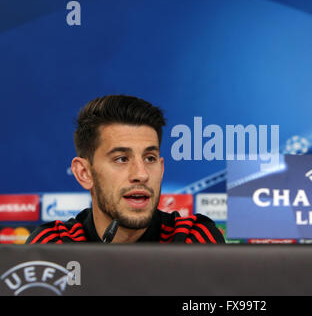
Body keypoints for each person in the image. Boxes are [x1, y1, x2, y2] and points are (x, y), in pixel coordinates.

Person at [26, 95, 225, 244]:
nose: (141, 174)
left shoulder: (193, 238)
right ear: (84, 173)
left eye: (150, 158)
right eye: (121, 159)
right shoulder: (54, 245)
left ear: (161, 168)